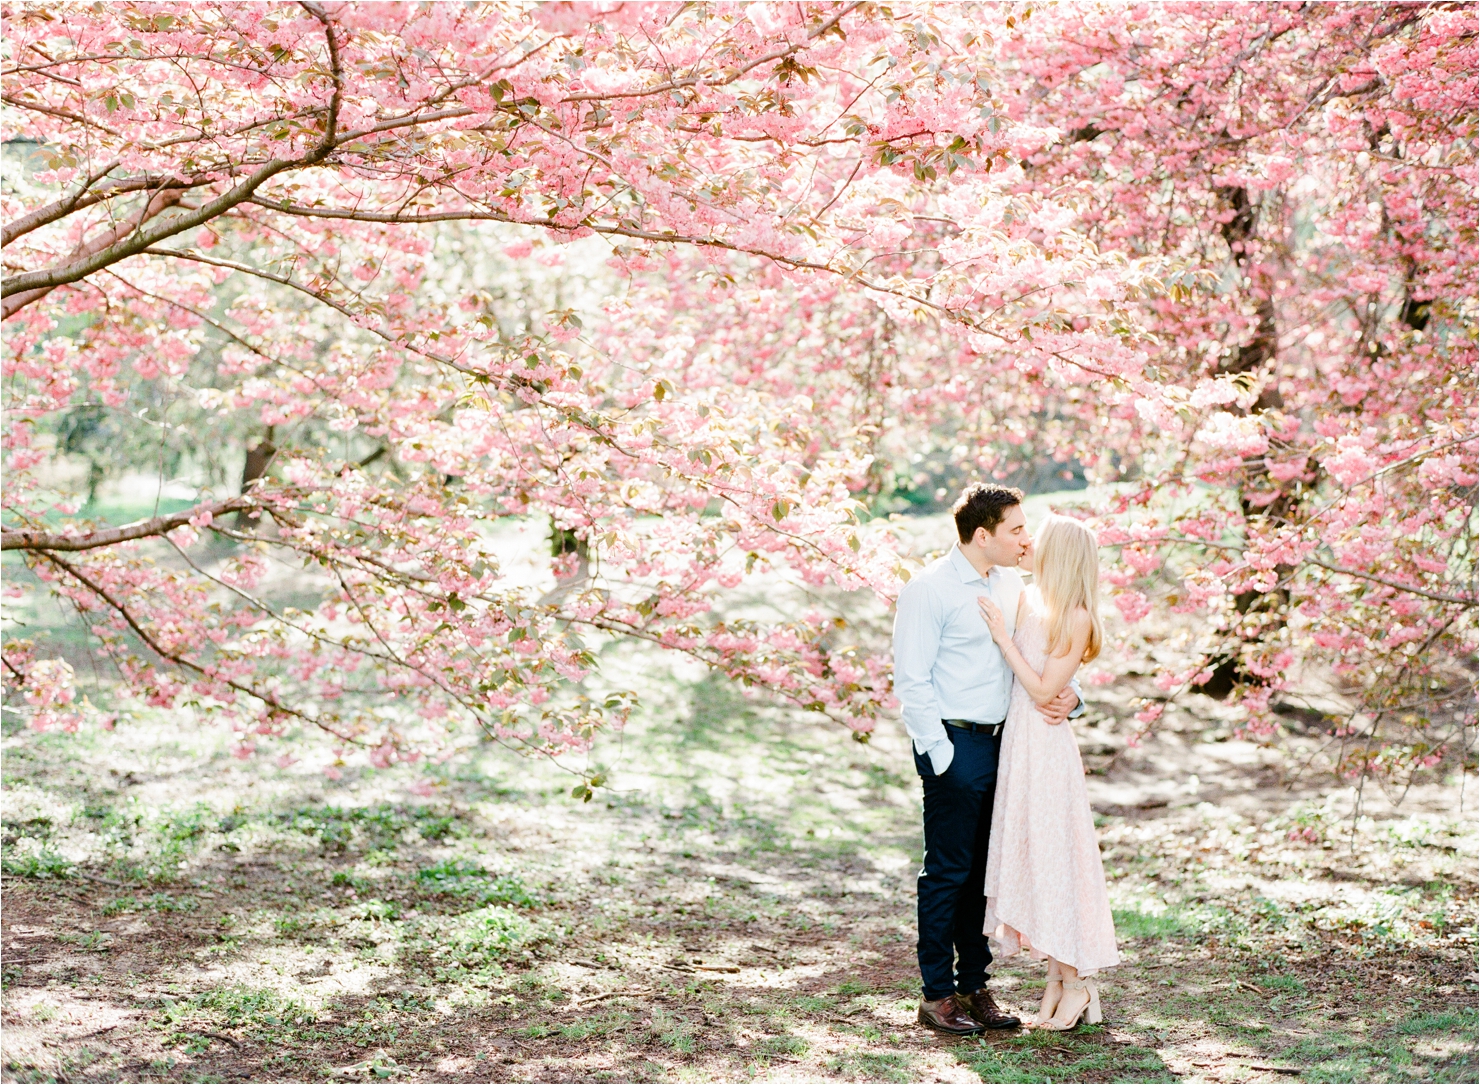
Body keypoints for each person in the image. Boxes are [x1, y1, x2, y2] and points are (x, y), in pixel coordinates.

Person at [892, 484, 1082, 1035]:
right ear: (983, 535)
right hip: (956, 745)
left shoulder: (1011, 584)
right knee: (948, 872)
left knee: (984, 871)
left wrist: (1074, 696)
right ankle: (937, 995)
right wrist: (942, 755)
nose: (1026, 539)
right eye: (1016, 529)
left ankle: (975, 987)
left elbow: (1043, 654)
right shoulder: (928, 589)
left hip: (1010, 743)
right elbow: (912, 681)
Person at [978, 514, 1120, 1030]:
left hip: (1047, 749)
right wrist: (1072, 692)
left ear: (1058, 553)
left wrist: (1003, 638)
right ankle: (1058, 980)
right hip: (1019, 744)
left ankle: (1077, 982)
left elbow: (1042, 690)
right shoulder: (1028, 598)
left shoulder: (1076, 616)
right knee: (1037, 857)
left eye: (1035, 538)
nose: (1026, 542)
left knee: (1057, 860)